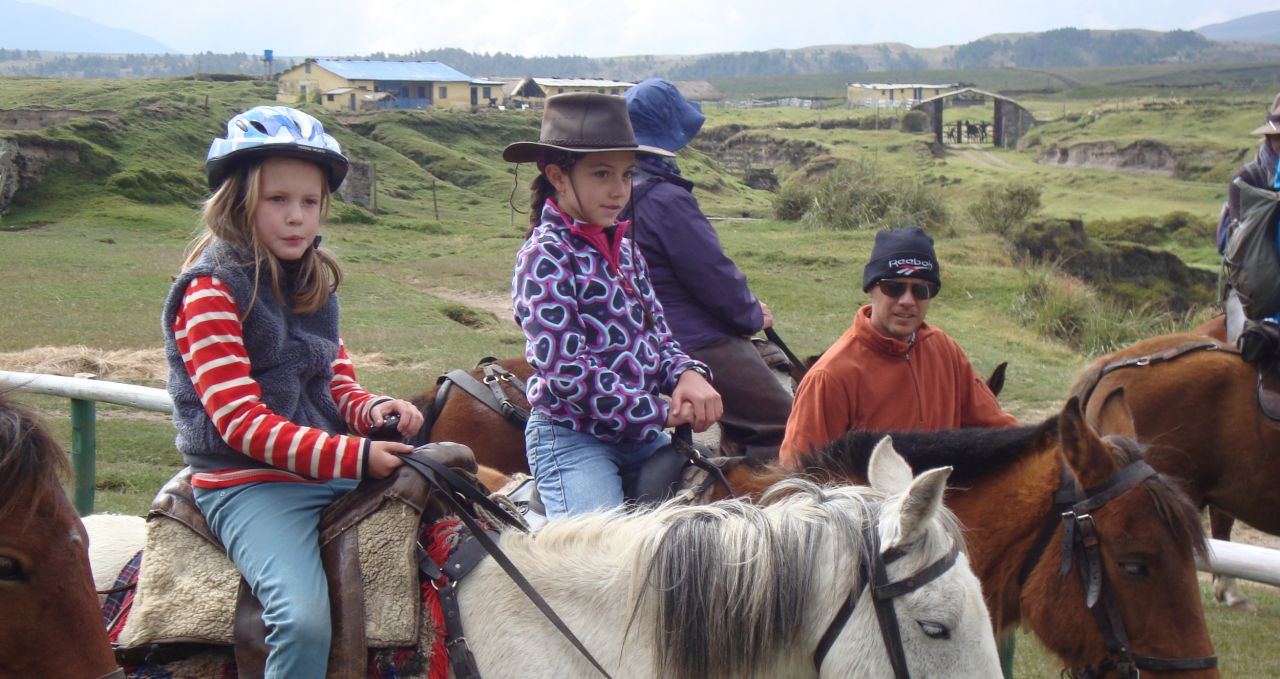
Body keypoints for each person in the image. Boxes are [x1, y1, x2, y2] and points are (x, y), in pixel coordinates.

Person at [161, 105, 424, 678]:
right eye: (277, 200)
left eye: (309, 202)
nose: (296, 218)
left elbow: (334, 381)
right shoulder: (211, 290)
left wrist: (373, 411)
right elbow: (240, 422)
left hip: (323, 464)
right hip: (249, 481)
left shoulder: (310, 279)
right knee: (301, 621)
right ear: (237, 200)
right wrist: (355, 454)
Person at [506, 92, 722, 518]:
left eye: (626, 175)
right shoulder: (544, 258)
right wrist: (657, 410)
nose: (619, 190)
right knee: (599, 564)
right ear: (558, 176)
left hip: (639, 437)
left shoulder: (625, 250)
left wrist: (686, 373)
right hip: (573, 437)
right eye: (602, 174)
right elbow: (568, 374)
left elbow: (657, 334)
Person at [625, 78, 792, 461]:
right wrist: (752, 313)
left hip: (639, 329)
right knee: (786, 427)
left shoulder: (617, 189)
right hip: (690, 338)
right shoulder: (667, 199)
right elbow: (714, 277)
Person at [779, 225, 1016, 464]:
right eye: (894, 287)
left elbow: (998, 430)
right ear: (871, 288)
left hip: (944, 499)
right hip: (874, 501)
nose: (907, 301)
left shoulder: (945, 351)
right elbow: (797, 479)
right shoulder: (830, 377)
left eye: (921, 290)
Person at [1217, 92, 1280, 360]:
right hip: (1256, 291)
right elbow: (1235, 246)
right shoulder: (1247, 180)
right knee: (1248, 353)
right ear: (1270, 138)